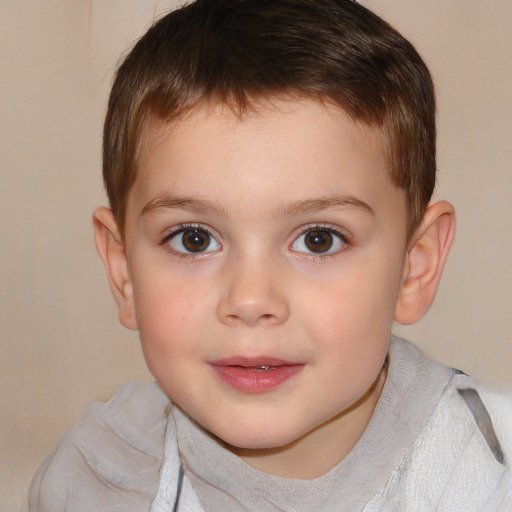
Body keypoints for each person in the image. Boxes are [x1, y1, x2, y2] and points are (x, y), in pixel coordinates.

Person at [29, 0, 512, 510]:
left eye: (318, 239)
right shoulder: (94, 482)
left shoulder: (488, 474)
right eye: (194, 239)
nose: (252, 299)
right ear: (124, 271)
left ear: (414, 267)